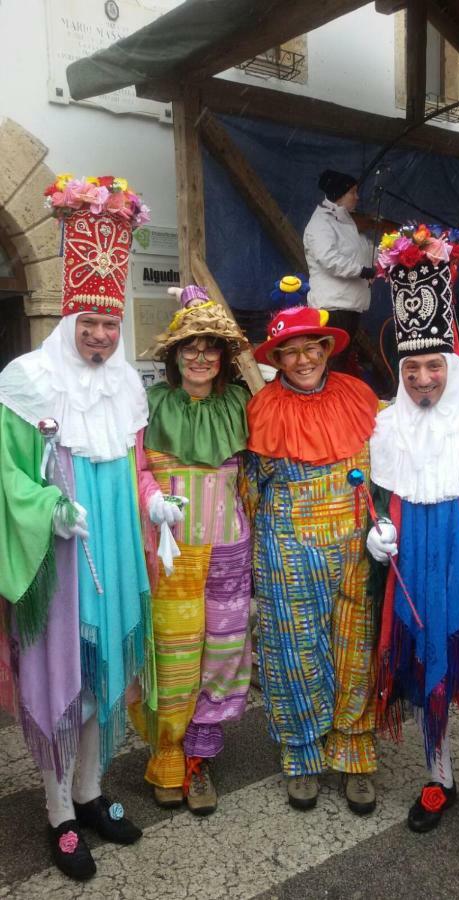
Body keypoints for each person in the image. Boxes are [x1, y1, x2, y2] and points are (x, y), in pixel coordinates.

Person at [0, 174, 154, 881]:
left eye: (108, 325)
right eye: (87, 324)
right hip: (59, 556)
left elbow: (136, 462)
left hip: (114, 546)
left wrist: (153, 502)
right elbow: (7, 476)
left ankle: (92, 791)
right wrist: (48, 510)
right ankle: (58, 810)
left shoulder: (126, 383)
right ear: (68, 322)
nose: (98, 336)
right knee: (62, 673)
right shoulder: (28, 379)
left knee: (103, 676)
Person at [369, 223, 459, 878]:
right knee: (427, 671)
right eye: (412, 368)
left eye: (432, 366)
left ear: (451, 366)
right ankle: (438, 780)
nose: (422, 379)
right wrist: (375, 531)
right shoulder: (387, 426)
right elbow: (375, 497)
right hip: (417, 563)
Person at [242, 305, 380, 813]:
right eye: (290, 352)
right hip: (288, 547)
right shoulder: (261, 408)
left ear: (326, 350)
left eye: (311, 348)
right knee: (293, 652)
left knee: (354, 647)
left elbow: (384, 470)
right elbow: (251, 488)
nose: (302, 360)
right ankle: (301, 754)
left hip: (355, 546)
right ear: (277, 358)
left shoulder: (360, 397)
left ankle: (355, 753)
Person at [130, 289, 252, 816]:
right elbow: (132, 471)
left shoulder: (242, 405)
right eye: (189, 348)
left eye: (210, 349)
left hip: (231, 550)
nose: (200, 357)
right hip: (172, 556)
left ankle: (200, 758)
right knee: (175, 658)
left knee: (222, 656)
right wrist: (153, 498)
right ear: (173, 356)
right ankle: (167, 756)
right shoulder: (148, 405)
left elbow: (261, 474)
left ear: (224, 357)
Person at [303, 170, 375, 366]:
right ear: (339, 195)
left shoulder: (347, 222)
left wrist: (389, 256)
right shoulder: (321, 223)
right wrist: (362, 271)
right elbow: (329, 259)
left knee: (340, 361)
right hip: (333, 306)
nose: (357, 197)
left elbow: (364, 251)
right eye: (353, 192)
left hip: (350, 304)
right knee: (331, 360)